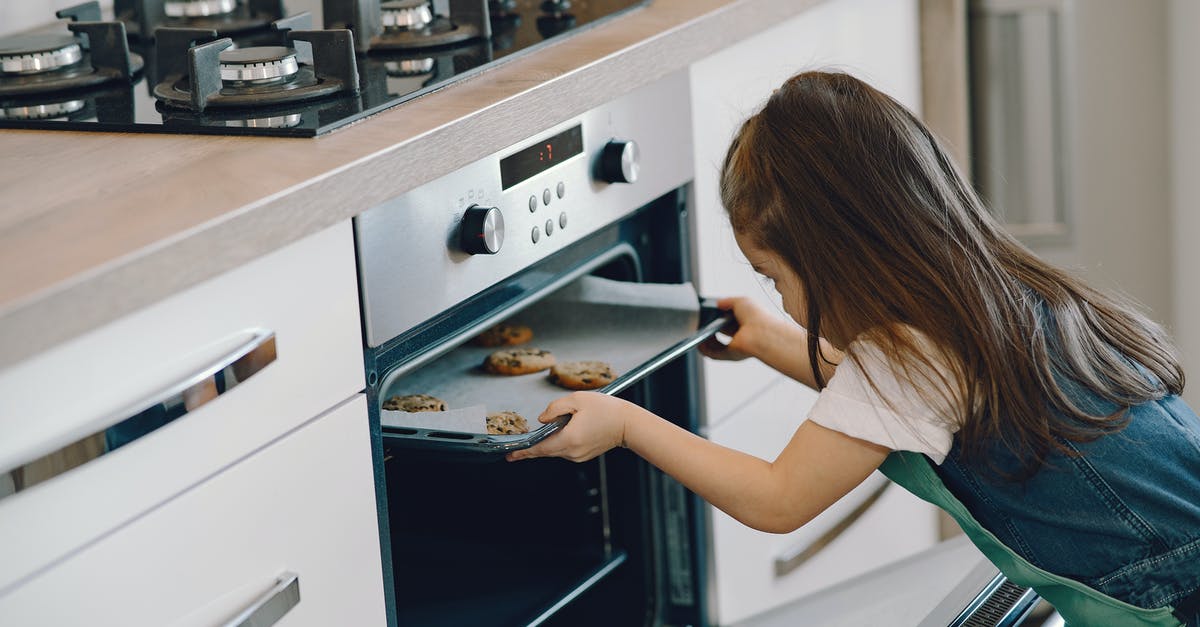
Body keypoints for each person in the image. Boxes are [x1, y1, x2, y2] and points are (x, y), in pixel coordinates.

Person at [506, 70, 1200, 626]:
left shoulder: (906, 357)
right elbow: (884, 407)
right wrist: (769, 340)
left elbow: (778, 498)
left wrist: (627, 424)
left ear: (838, 259)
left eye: (775, 278)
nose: (780, 298)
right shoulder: (996, 293)